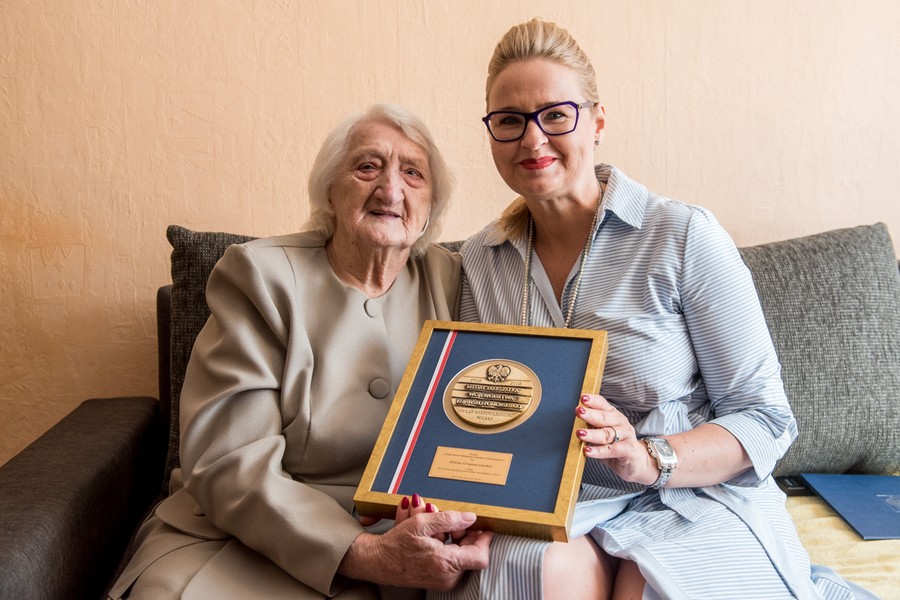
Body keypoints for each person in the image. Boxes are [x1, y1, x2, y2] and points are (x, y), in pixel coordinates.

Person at [445, 19, 877, 600]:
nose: (532, 138)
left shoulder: (682, 236)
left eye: (555, 114)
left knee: (651, 588)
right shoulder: (480, 260)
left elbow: (766, 418)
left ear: (597, 121)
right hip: (564, 507)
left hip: (691, 494)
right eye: (509, 121)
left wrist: (650, 458)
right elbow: (478, 414)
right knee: (513, 575)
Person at [109, 104, 492, 600]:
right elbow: (229, 460)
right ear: (330, 191)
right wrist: (363, 553)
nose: (391, 189)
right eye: (367, 166)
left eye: (412, 173)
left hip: (406, 542)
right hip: (240, 539)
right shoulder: (259, 277)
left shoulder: (460, 280)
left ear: (432, 207)